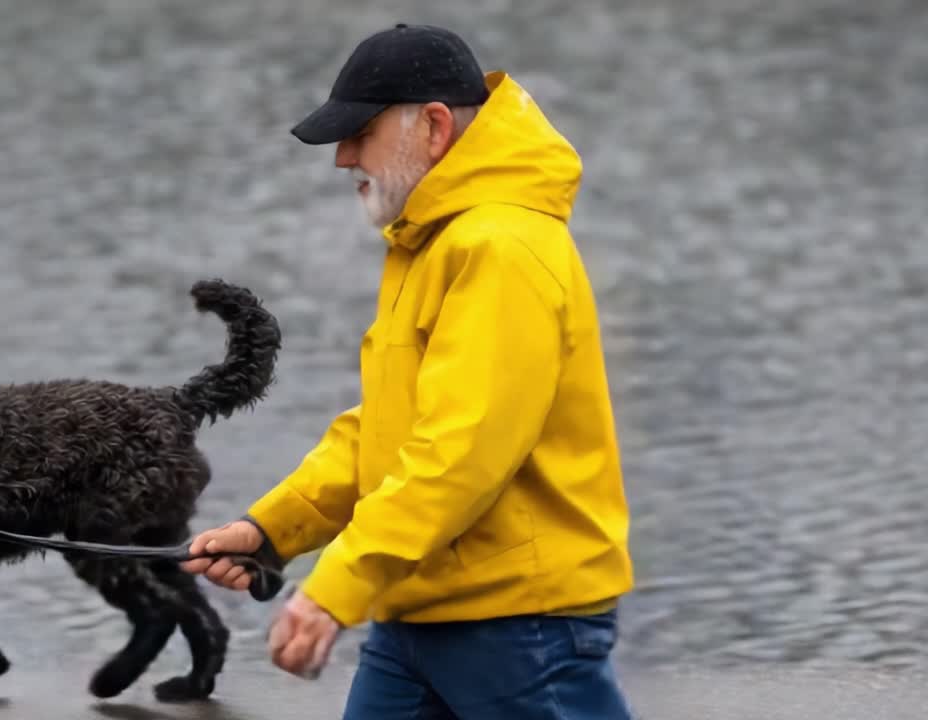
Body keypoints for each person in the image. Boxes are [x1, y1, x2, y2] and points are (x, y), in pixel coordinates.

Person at [181, 23, 635, 719]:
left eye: (360, 133)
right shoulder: (431, 241)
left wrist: (337, 588)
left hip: (519, 625)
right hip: (416, 612)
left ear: (434, 126)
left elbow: (459, 455)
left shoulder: (500, 248)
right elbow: (390, 429)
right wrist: (272, 531)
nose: (343, 157)